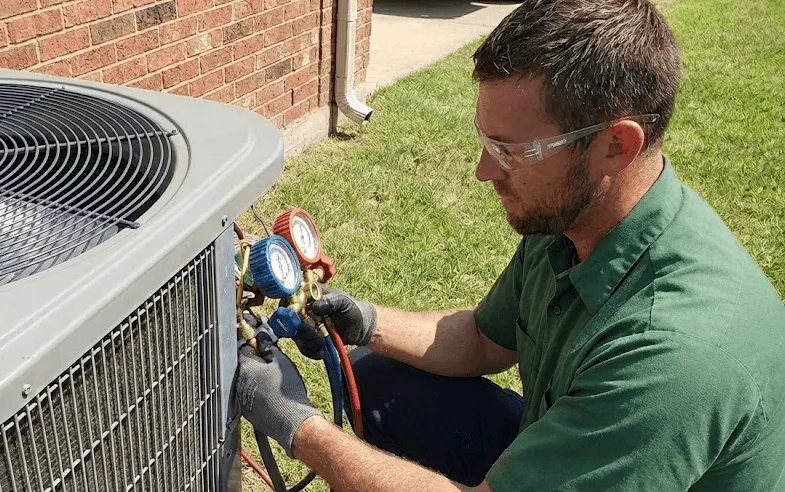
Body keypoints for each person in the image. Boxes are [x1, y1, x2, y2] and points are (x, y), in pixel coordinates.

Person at [234, 0, 785, 490]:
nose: (482, 172)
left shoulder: (673, 356)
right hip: (583, 441)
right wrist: (365, 322)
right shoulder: (573, 219)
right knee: (378, 375)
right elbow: (480, 337)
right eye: (484, 142)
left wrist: (296, 424)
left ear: (615, 145)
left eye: (509, 150)